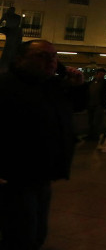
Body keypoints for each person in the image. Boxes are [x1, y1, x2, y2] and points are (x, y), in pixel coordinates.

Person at [0, 40, 83, 249]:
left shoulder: (50, 87)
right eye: (42, 56)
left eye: (54, 56)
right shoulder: (6, 87)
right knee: (21, 234)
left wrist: (74, 86)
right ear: (20, 60)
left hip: (42, 175)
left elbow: (69, 112)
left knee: (37, 232)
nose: (51, 61)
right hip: (14, 177)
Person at [85, 68, 106, 140]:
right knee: (91, 120)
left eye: (103, 74)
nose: (102, 76)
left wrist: (104, 104)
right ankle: (91, 134)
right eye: (100, 74)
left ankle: (94, 135)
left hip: (99, 104)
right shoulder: (91, 83)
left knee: (96, 121)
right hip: (91, 104)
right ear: (96, 74)